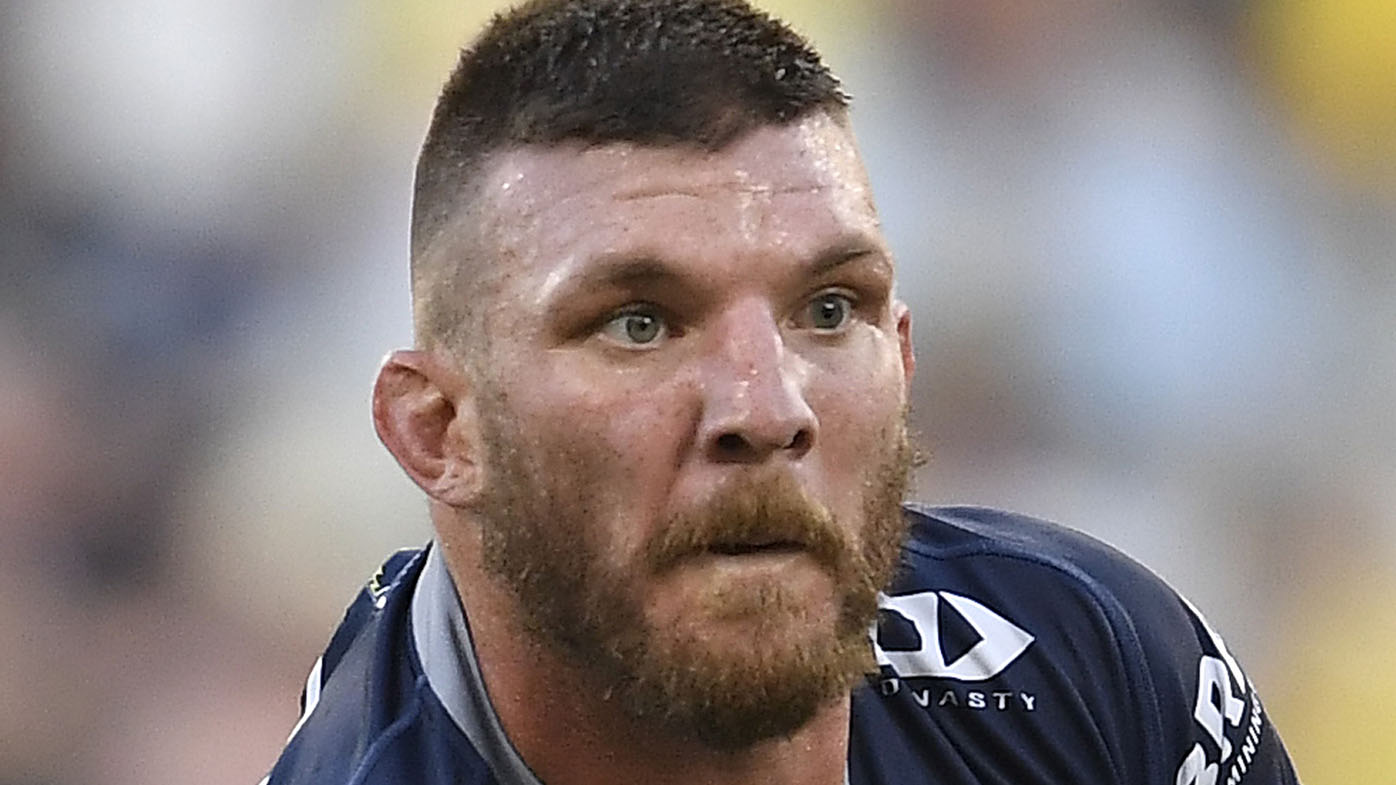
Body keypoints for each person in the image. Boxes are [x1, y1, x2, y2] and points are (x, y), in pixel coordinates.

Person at [264, 1, 1300, 783]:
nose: (766, 408)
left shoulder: (1088, 659)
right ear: (438, 431)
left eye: (829, 309)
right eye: (639, 322)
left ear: (902, 355)